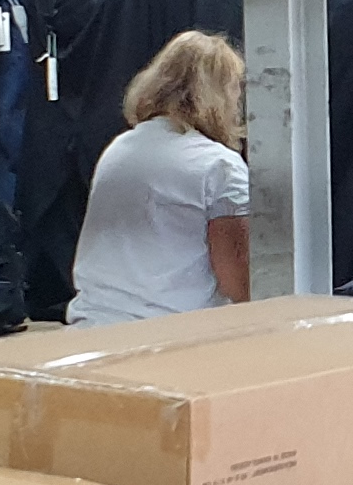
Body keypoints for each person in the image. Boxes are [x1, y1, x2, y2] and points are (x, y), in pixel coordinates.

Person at [67, 31, 251, 326]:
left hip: (93, 324)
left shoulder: (119, 149)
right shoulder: (219, 166)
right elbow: (240, 284)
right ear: (223, 96)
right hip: (174, 331)